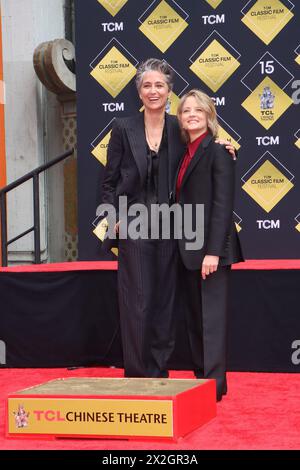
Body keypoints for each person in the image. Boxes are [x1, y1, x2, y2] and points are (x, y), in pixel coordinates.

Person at [101, 58, 236, 379]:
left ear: (169, 91)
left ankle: (158, 373)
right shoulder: (122, 128)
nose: (153, 91)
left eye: (159, 85)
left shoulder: (181, 126)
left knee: (164, 303)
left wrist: (223, 146)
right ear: (139, 91)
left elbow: (202, 151)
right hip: (134, 224)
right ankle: (137, 375)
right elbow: (108, 182)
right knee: (137, 304)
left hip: (174, 225)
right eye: (147, 85)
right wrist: (114, 217)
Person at [176, 89, 244, 401]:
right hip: (187, 250)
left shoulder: (218, 151)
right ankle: (202, 382)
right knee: (195, 320)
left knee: (212, 322)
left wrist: (213, 251)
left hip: (211, 252)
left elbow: (222, 206)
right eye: (186, 110)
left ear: (208, 116)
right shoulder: (183, 152)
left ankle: (213, 387)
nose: (191, 114)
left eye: (197, 110)